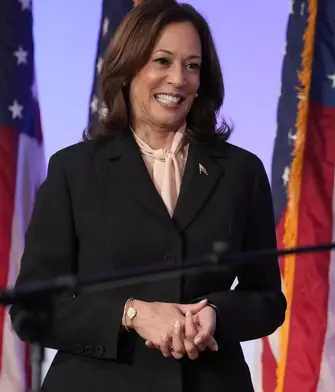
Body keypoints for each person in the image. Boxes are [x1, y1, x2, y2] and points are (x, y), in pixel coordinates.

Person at [9, 1, 286, 391]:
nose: (178, 79)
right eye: (162, 61)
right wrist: (132, 314)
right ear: (128, 68)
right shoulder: (75, 169)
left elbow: (268, 300)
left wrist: (216, 315)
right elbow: (32, 310)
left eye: (192, 65)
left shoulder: (242, 171)